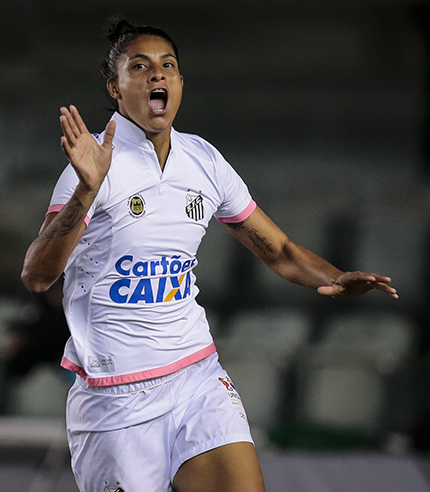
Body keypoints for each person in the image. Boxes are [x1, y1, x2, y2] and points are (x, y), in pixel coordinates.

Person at [21, 20, 398, 492]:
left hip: (194, 377)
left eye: (167, 66)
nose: (156, 75)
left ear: (179, 84)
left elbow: (278, 249)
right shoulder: (91, 166)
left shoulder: (203, 159)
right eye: (139, 67)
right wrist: (87, 189)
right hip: (114, 396)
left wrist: (336, 276)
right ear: (115, 87)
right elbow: (37, 275)